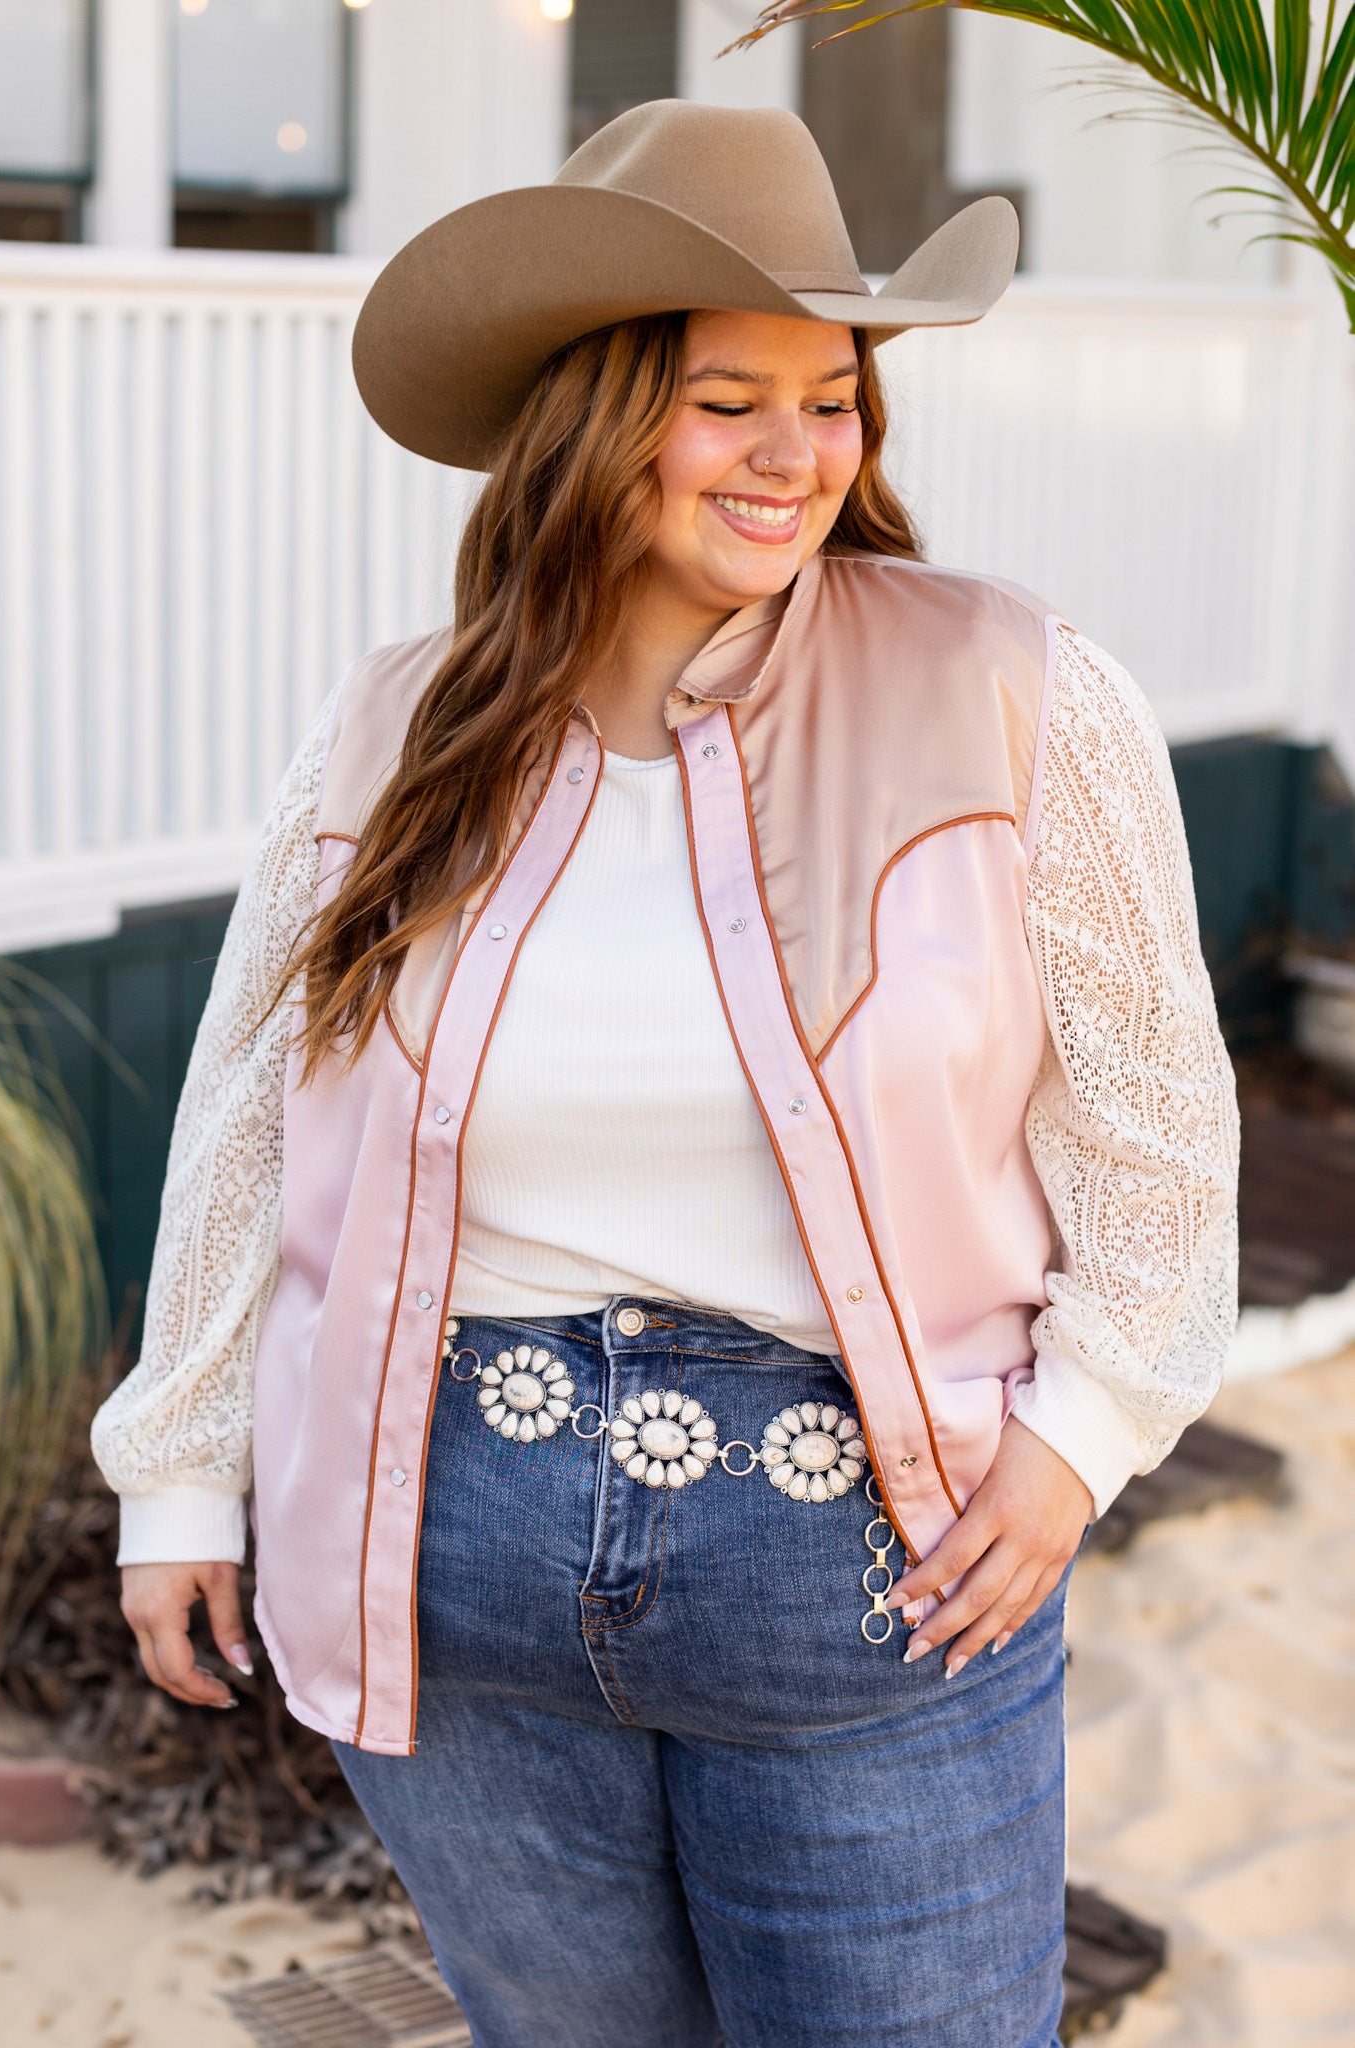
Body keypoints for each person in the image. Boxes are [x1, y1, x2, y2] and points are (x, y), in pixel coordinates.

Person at [92, 101, 1239, 2048]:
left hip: (868, 1569)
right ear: (593, 410)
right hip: (446, 1558)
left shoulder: (1011, 688)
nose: (798, 454)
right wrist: (180, 1470)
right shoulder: (396, 725)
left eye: (831, 395)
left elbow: (1154, 1128)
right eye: (730, 399)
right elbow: (251, 1112)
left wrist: (1080, 1434)